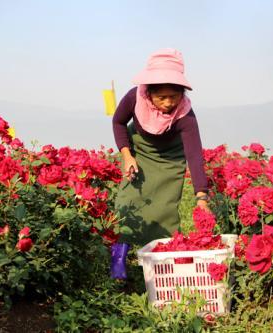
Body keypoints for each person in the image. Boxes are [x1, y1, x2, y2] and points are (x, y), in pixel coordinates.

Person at [110, 48, 210, 279]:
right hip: (140, 151)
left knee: (165, 209)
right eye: (161, 97)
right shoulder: (134, 97)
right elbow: (118, 122)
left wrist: (201, 196)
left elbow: (194, 154)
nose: (167, 103)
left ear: (182, 93)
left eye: (173, 97)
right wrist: (127, 155)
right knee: (128, 200)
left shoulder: (185, 114)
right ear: (149, 92)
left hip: (170, 159)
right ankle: (119, 260)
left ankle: (164, 267)